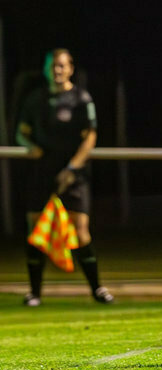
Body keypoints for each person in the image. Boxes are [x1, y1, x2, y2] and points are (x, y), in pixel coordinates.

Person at [16, 49, 113, 306]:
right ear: (47, 70)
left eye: (61, 66)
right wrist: (29, 145)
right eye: (52, 66)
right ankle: (34, 293)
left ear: (70, 68)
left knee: (81, 232)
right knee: (36, 230)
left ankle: (97, 289)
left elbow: (90, 136)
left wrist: (71, 169)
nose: (57, 71)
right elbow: (21, 132)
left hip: (73, 175)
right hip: (41, 171)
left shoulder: (81, 98)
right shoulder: (35, 99)